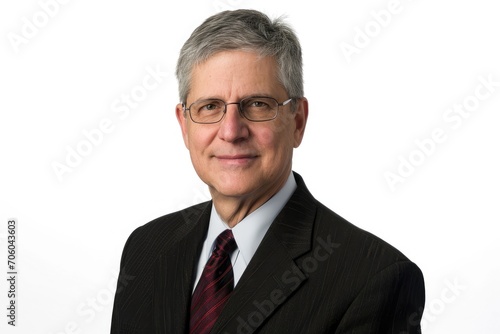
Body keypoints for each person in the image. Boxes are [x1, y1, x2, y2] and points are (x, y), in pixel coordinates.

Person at [110, 9, 425, 334]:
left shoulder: (374, 278)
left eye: (257, 104)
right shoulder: (145, 249)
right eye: (210, 107)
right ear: (184, 125)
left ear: (298, 121)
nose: (231, 131)